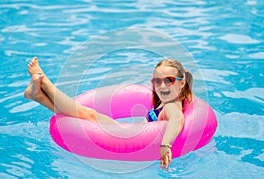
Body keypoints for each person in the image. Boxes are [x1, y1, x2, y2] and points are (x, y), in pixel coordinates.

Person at [24, 57, 193, 169]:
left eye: (169, 80)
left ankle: (43, 80)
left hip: (124, 135)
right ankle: (38, 96)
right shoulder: (171, 100)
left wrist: (166, 145)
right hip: (124, 130)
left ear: (181, 82)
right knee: (82, 113)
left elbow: (177, 119)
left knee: (85, 113)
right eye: (157, 81)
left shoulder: (172, 106)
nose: (162, 86)